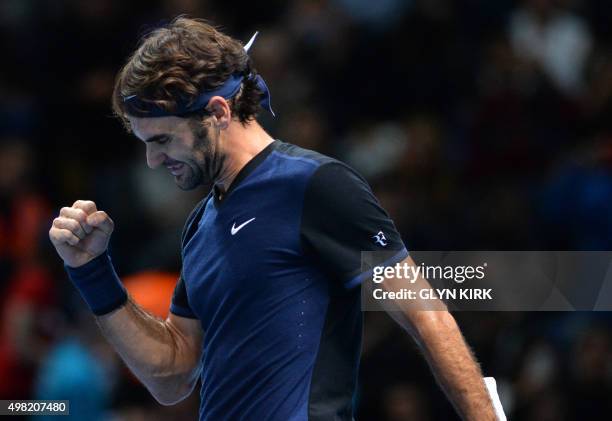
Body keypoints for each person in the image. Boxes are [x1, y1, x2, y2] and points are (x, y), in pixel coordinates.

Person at [49, 17, 496, 420]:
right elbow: (172, 376)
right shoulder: (199, 225)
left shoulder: (316, 185)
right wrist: (91, 272)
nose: (151, 160)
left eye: (163, 139)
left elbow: (427, 316)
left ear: (218, 113)